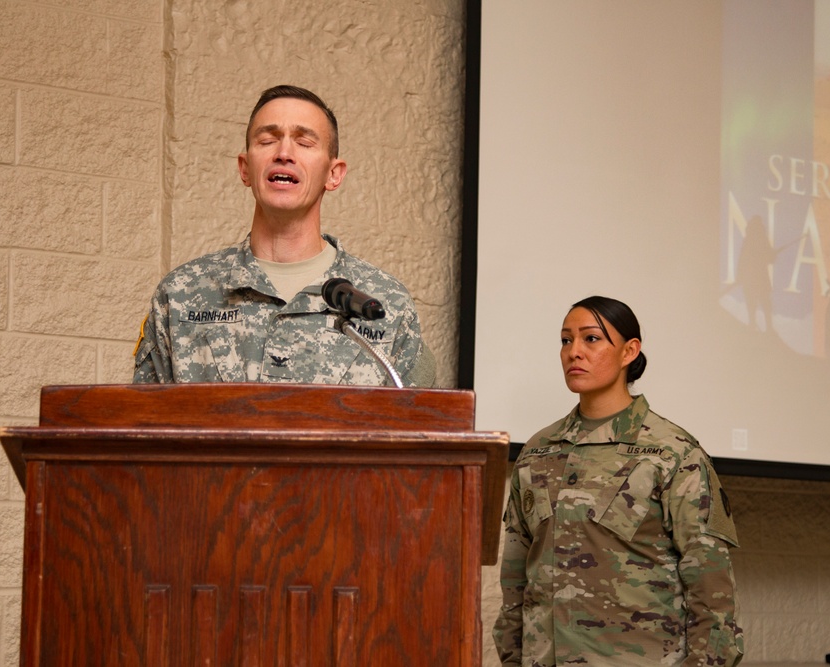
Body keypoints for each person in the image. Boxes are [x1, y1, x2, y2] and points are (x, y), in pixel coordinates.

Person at [493, 296, 743, 666]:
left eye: (591, 339)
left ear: (629, 351)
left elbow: (711, 588)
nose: (574, 352)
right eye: (565, 340)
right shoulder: (537, 452)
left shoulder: (672, 452)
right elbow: (515, 580)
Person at [133, 85, 436, 387]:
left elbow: (415, 429)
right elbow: (142, 425)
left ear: (334, 174)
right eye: (267, 140)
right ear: (245, 169)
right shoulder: (181, 295)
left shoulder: (384, 304)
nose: (284, 153)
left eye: (304, 142)